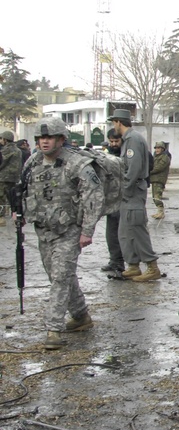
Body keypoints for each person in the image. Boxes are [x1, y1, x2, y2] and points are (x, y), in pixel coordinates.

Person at [17, 117, 103, 350]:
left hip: (69, 230)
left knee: (60, 278)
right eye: (41, 138)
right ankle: (81, 315)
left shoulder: (77, 164)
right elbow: (23, 188)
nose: (44, 142)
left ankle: (53, 329)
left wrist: (87, 230)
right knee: (58, 275)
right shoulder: (33, 161)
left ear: (61, 139)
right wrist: (20, 212)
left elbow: (93, 197)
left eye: (50, 137)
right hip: (43, 229)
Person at [107, 109, 159, 282]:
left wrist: (126, 189)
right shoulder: (128, 140)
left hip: (133, 191)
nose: (113, 125)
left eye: (113, 122)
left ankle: (152, 266)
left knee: (137, 228)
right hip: (128, 192)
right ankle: (133, 265)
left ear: (119, 123)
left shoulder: (133, 140)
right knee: (125, 231)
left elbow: (134, 168)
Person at [100, 128, 125, 277]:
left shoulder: (127, 151)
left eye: (117, 141)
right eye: (112, 141)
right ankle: (115, 261)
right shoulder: (106, 154)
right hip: (111, 200)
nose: (114, 144)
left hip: (125, 198)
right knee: (111, 233)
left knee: (126, 233)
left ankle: (130, 263)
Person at [0, 129, 21, 227]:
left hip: (4, 177)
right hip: (15, 177)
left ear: (5, 140)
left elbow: (1, 162)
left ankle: (1, 218)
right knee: (13, 198)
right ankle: (16, 216)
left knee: (1, 198)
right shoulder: (18, 149)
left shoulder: (6, 150)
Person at [149, 141, 171, 219]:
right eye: (156, 148)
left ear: (162, 149)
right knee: (154, 197)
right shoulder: (155, 156)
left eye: (159, 148)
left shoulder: (165, 157)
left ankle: (161, 212)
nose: (157, 150)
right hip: (155, 179)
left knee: (157, 196)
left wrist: (149, 172)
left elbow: (159, 167)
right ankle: (159, 211)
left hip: (159, 179)